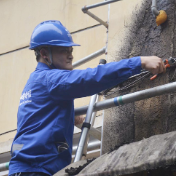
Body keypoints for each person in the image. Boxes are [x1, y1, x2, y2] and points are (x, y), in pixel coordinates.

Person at [9, 20, 166, 176]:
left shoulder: (35, 82)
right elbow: (90, 78)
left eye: (70, 49)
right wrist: (139, 62)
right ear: (44, 54)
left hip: (30, 168)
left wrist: (68, 115)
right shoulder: (50, 80)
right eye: (64, 50)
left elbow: (38, 118)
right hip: (35, 171)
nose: (70, 55)